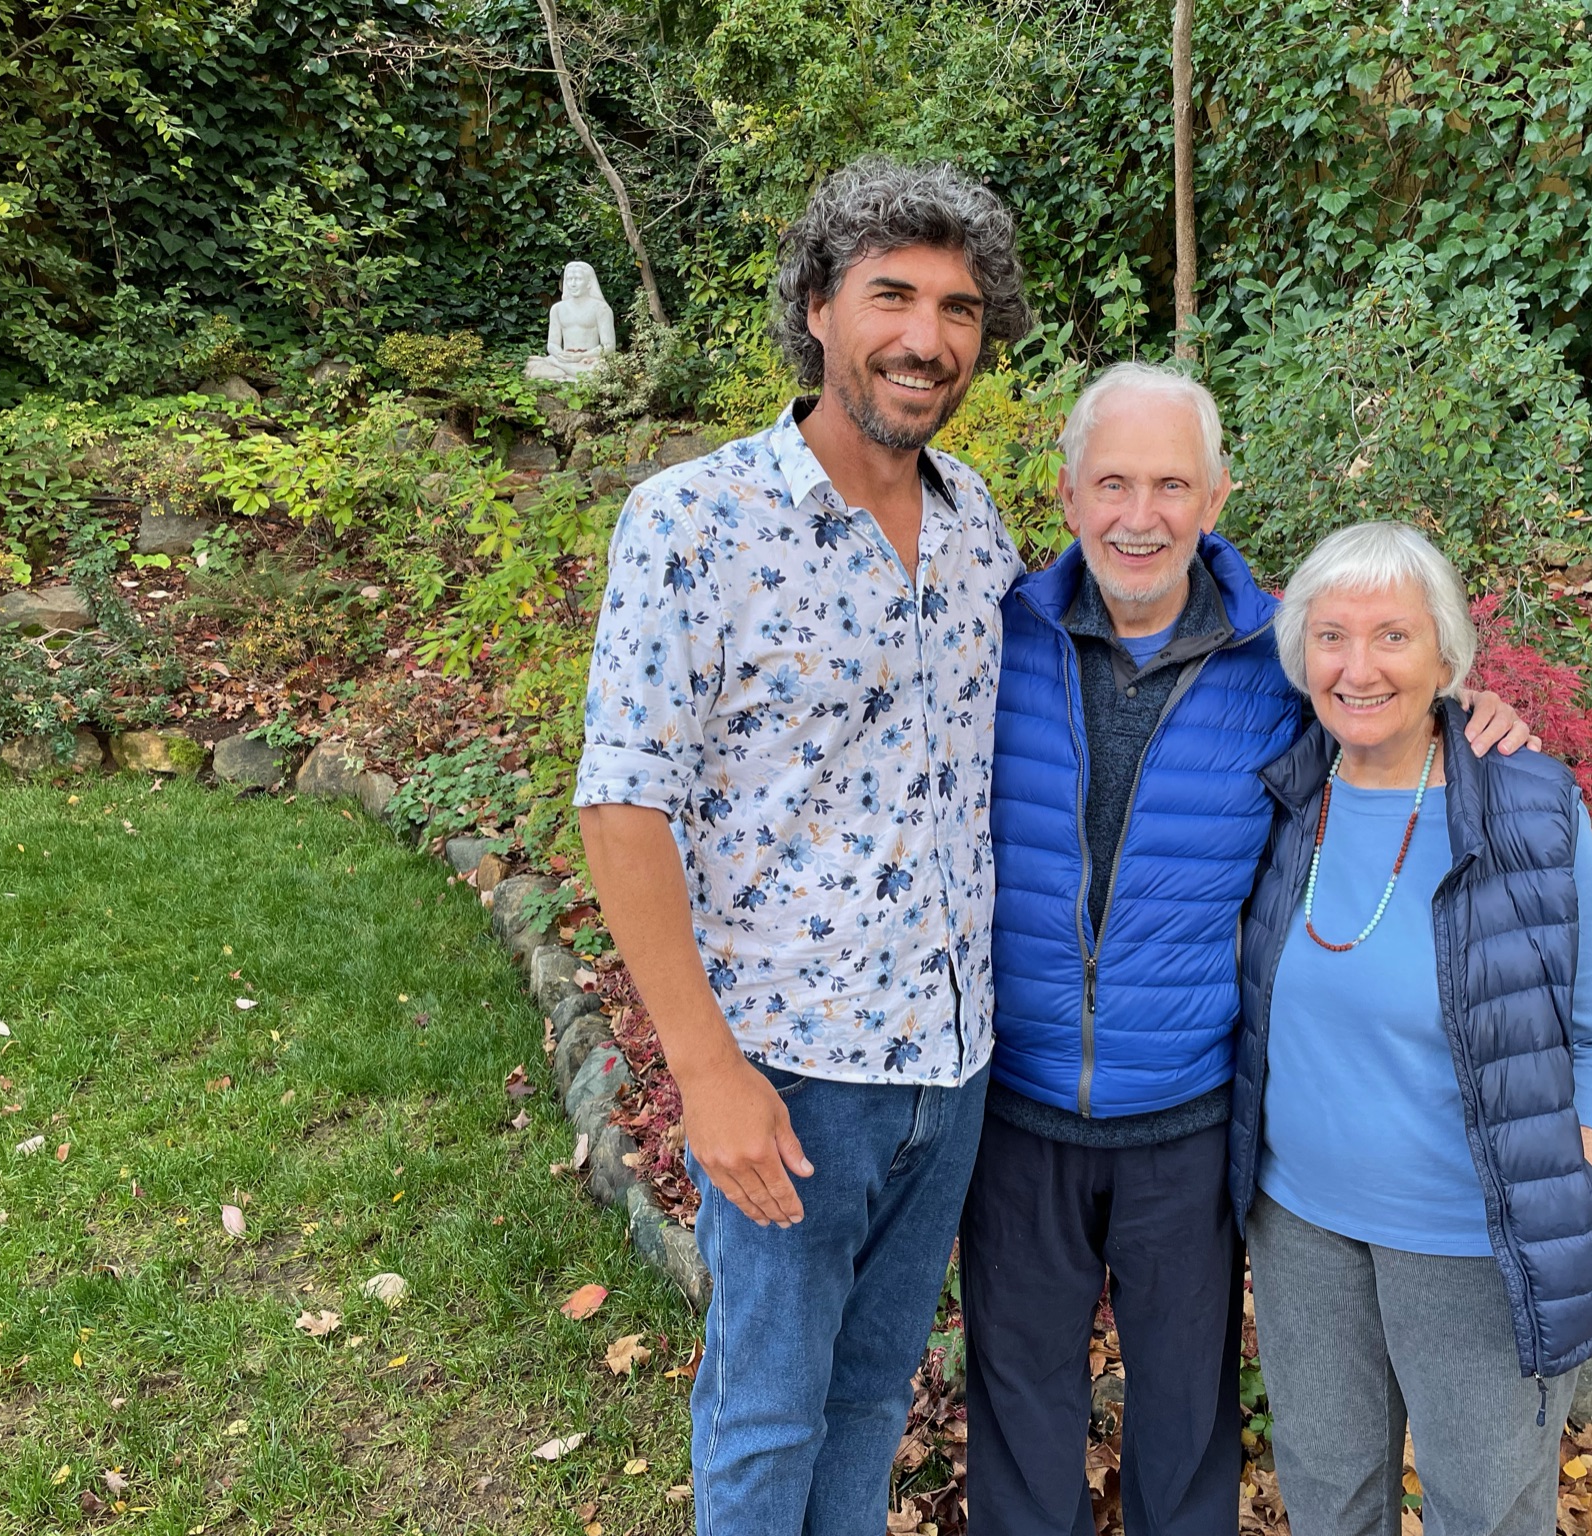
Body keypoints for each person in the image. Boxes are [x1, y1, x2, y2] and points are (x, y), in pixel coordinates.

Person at [965, 365, 1536, 1536]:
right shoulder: (995, 639)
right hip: (1017, 1117)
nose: (1140, 514)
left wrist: (1480, 714)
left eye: (1170, 483)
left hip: (1187, 1122)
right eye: (1112, 482)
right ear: (1069, 495)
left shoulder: (1276, 659)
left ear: (1217, 495)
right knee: (1021, 1430)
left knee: (1186, 1438)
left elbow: (1381, 702)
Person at [573, 156, 1031, 1536]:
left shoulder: (976, 527)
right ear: (821, 311)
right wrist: (705, 1073)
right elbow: (621, 801)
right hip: (790, 1074)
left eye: (956, 308)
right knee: (768, 1412)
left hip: (951, 1068)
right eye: (892, 294)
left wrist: (1441, 701)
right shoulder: (695, 521)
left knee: (873, 1393)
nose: (926, 337)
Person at [1228, 520, 1592, 1536]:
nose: (1359, 666)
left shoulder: (1529, 808)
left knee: (1486, 1511)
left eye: (1393, 637)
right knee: (1332, 1503)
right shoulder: (1280, 801)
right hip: (1301, 1230)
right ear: (1301, 659)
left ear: (1448, 659)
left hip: (1475, 1240)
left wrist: (1563, 1171)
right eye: (1330, 637)